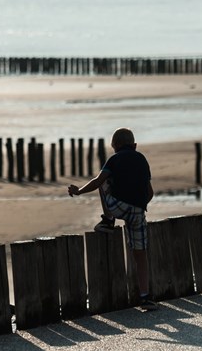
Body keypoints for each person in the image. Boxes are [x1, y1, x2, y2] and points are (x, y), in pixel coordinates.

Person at [67, 127, 157, 311]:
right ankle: (145, 297)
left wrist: (78, 191)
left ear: (114, 146)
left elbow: (97, 182)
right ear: (135, 145)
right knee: (140, 255)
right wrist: (138, 206)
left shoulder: (114, 159)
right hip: (138, 211)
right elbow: (150, 193)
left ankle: (108, 220)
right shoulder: (141, 159)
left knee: (103, 181)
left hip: (117, 207)